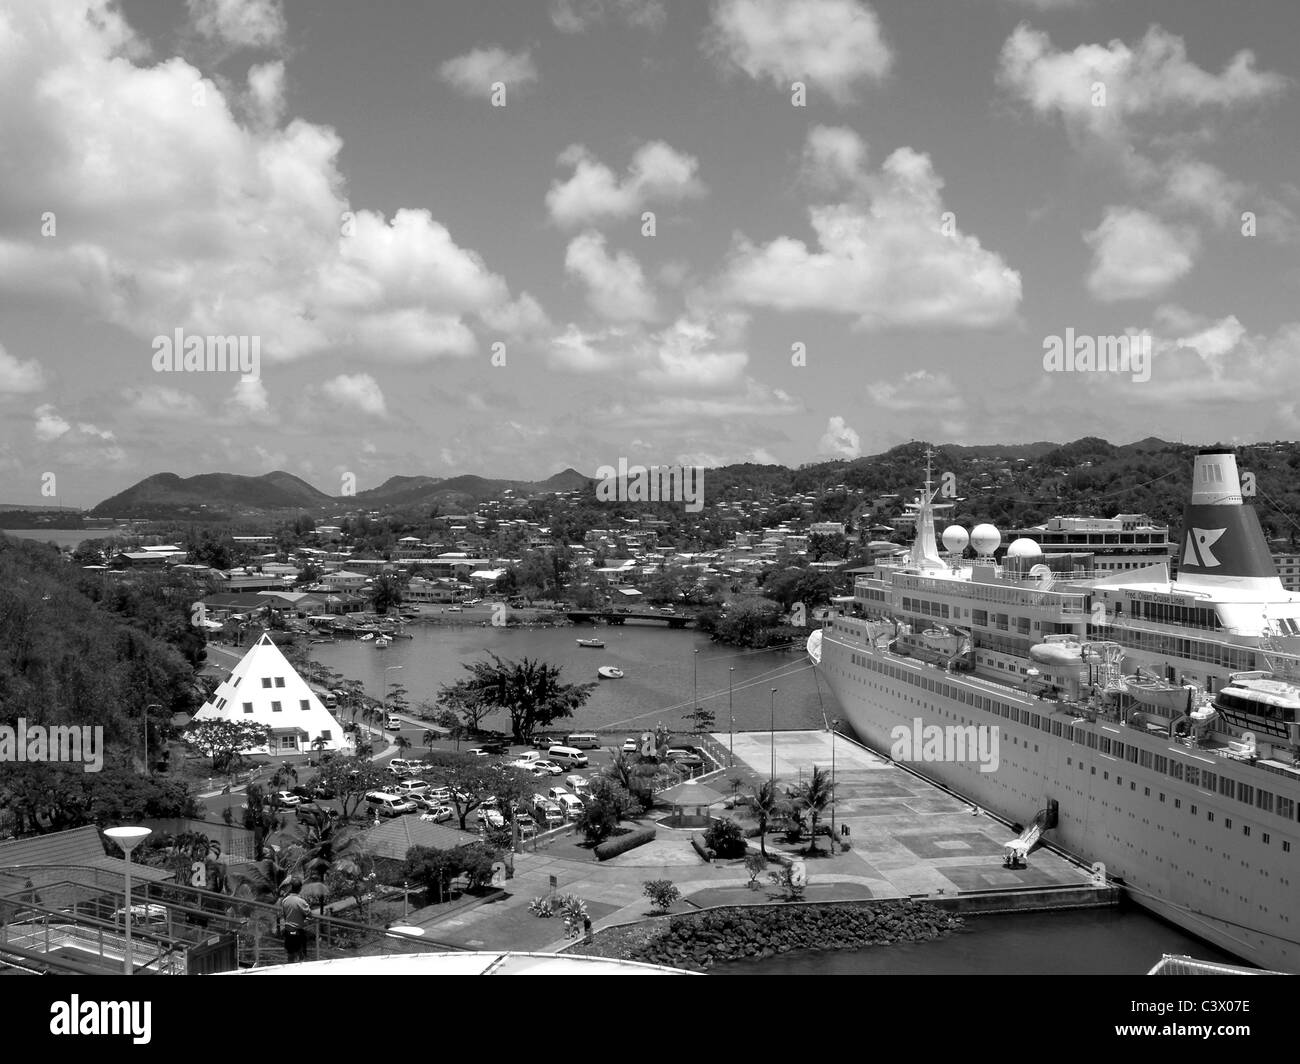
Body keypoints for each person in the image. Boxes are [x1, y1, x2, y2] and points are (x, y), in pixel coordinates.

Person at [278, 879, 313, 963]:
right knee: (301, 955)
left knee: (290, 955)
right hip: (298, 931)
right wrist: (305, 921)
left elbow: (283, 915)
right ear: (300, 889)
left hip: (288, 930)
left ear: (291, 888)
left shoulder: (285, 901)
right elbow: (309, 914)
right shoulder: (301, 902)